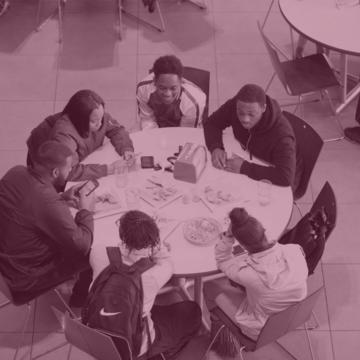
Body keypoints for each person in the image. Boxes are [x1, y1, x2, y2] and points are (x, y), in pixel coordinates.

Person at [90, 210, 202, 359]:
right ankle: (159, 353)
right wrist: (157, 246)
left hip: (94, 332)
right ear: (153, 241)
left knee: (151, 305)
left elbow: (118, 256)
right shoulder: (152, 276)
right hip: (134, 345)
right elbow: (167, 262)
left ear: (121, 233)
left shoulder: (98, 252)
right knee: (192, 310)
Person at [0, 141, 95, 306]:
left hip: (6, 256)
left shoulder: (16, 172)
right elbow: (82, 245)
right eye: (69, 167)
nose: (71, 170)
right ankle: (80, 298)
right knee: (91, 253)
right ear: (56, 172)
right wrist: (85, 211)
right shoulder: (47, 201)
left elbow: (28, 207)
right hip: (23, 279)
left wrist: (61, 197)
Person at [204, 208, 308, 351]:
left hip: (260, 329)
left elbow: (222, 261)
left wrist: (228, 236)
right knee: (238, 284)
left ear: (242, 246)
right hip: (293, 314)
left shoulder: (249, 275)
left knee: (210, 285)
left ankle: (220, 331)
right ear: (264, 231)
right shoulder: (294, 250)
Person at [203, 83, 304, 193]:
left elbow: (285, 177)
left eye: (251, 114)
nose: (245, 119)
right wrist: (216, 147)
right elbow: (212, 123)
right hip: (251, 157)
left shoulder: (282, 136)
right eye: (240, 113)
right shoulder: (236, 104)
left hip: (278, 174)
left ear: (263, 108)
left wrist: (244, 168)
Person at [27, 89, 135, 182]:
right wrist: (109, 169)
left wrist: (126, 148)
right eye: (94, 121)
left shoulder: (97, 115)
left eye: (101, 118)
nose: (100, 124)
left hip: (83, 159)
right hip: (51, 169)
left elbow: (117, 130)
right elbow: (70, 171)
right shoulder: (64, 135)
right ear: (80, 120)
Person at [136, 55, 206, 129]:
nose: (167, 94)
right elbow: (147, 120)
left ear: (181, 82)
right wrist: (156, 137)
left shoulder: (194, 101)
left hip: (182, 129)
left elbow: (186, 133)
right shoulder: (143, 89)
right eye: (162, 88)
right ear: (154, 81)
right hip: (157, 126)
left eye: (173, 88)